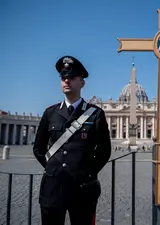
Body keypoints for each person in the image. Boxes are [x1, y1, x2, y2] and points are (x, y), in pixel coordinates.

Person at [33, 55, 112, 225]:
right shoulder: (50, 113)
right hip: (52, 189)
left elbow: (104, 151)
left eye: (72, 77)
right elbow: (38, 148)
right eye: (63, 77)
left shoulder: (96, 114)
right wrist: (52, 169)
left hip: (82, 189)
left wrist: (86, 172)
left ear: (82, 82)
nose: (66, 81)